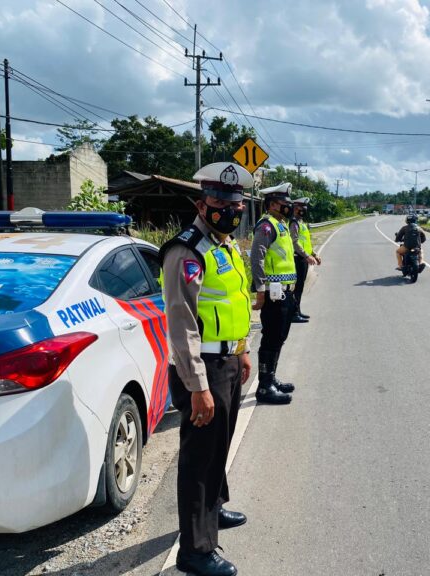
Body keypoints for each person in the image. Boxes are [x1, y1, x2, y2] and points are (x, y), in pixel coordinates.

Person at [159, 161, 253, 576]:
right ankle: (195, 552)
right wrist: (197, 385)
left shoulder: (225, 245)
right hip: (204, 369)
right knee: (200, 457)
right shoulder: (187, 250)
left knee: (220, 446)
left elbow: (236, 301)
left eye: (235, 203)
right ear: (201, 203)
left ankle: (212, 513)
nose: (229, 209)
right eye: (219, 202)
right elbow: (181, 324)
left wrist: (243, 349)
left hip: (228, 360)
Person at [251, 182, 297, 404]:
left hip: (284, 293)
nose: (288, 206)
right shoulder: (266, 226)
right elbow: (257, 258)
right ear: (272, 205)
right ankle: (264, 386)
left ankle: (270, 378)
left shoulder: (282, 225)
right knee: (270, 339)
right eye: (284, 203)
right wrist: (260, 290)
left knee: (279, 337)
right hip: (272, 293)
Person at [289, 197, 321, 323]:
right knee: (297, 287)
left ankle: (297, 310)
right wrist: (307, 256)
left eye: (304, 207)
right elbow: (295, 242)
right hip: (298, 258)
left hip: (304, 258)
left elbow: (306, 243)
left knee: (300, 287)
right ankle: (294, 313)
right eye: (301, 207)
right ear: (295, 208)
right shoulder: (294, 223)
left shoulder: (301, 223)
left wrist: (314, 254)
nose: (304, 210)